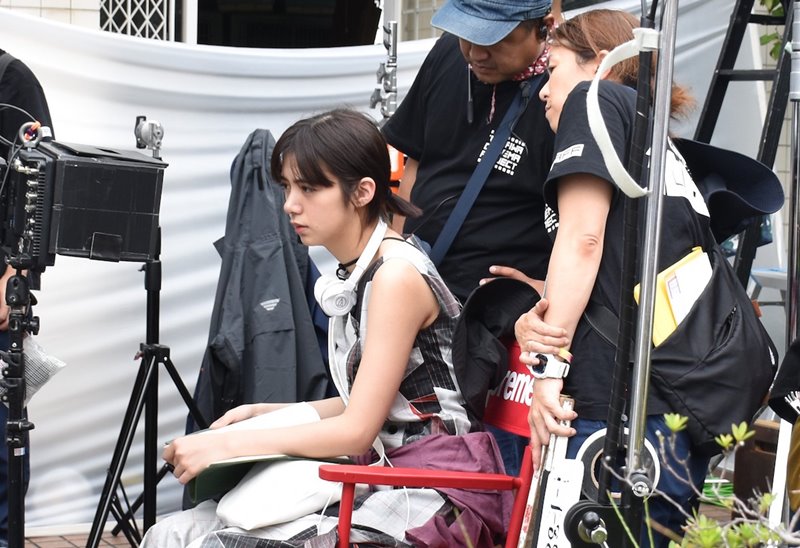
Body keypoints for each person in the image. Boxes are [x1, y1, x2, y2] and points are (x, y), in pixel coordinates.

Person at [141, 108, 511, 548]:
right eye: (286, 187)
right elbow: (384, 403)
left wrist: (227, 446)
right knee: (170, 533)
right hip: (380, 473)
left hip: (433, 490)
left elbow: (358, 429)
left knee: (214, 541)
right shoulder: (361, 270)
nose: (289, 204)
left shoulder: (395, 275)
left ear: (363, 192)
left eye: (309, 188)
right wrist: (265, 414)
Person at [514, 9, 710, 547]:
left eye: (552, 69)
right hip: (667, 404)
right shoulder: (650, 135)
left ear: (601, 62)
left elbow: (583, 240)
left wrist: (548, 371)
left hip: (614, 403)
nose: (542, 91)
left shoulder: (594, 99)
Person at [381, 0, 559, 476]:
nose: (476, 52)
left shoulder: (564, 91)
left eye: (494, 39)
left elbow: (585, 221)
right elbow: (414, 162)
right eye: (466, 35)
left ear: (542, 27)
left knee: (484, 469)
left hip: (496, 327)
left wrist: (550, 290)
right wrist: (390, 256)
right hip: (415, 292)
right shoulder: (448, 55)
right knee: (402, 453)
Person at [0, 48, 54, 547]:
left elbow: (43, 182)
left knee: (1, 437)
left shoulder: (10, 80)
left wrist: (14, 275)